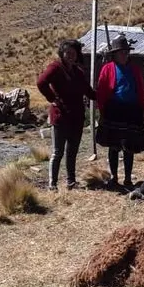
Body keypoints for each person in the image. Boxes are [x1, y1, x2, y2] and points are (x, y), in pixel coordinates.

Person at [36, 39, 95, 190]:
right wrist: (52, 98)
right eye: (67, 52)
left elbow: (88, 91)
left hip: (76, 117)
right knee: (58, 152)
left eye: (73, 53)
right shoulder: (55, 68)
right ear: (62, 53)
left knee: (72, 151)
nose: (70, 56)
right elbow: (41, 82)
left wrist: (104, 94)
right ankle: (52, 184)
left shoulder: (78, 72)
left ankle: (71, 182)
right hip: (61, 116)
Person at [96, 34, 144, 190]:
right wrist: (102, 110)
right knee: (114, 146)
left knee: (129, 146)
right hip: (114, 111)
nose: (125, 54)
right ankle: (114, 177)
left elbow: (140, 89)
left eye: (126, 52)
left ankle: (127, 178)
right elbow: (101, 91)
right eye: (121, 52)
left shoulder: (134, 69)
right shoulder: (108, 69)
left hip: (132, 111)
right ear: (115, 54)